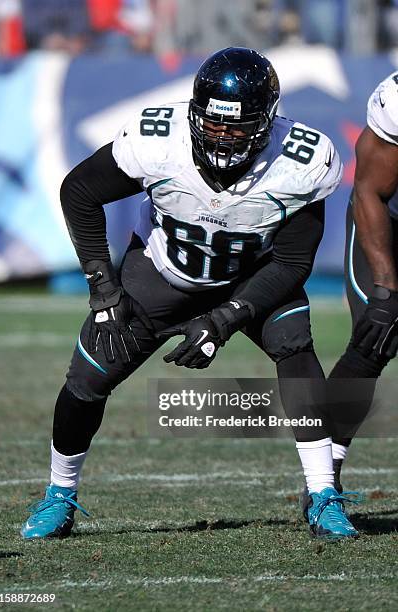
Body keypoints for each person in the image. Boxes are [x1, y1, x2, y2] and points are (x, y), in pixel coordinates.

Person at [21, 47, 358, 541]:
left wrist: (224, 320)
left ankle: (324, 494)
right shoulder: (160, 142)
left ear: (266, 123)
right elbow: (79, 191)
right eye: (214, 125)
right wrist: (102, 287)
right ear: (195, 114)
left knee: (295, 346)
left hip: (252, 277)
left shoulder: (300, 161)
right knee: (87, 378)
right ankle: (60, 494)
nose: (222, 138)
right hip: (160, 273)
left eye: (237, 128)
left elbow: (291, 262)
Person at [328, 71, 398, 489]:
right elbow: (371, 190)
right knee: (374, 336)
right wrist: (387, 285)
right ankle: (323, 477)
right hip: (390, 223)